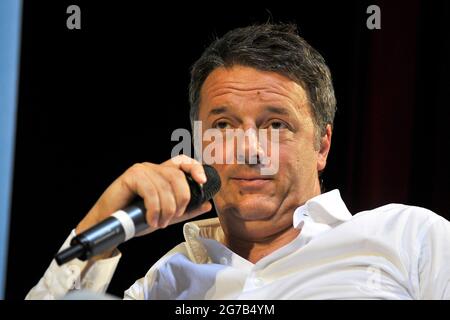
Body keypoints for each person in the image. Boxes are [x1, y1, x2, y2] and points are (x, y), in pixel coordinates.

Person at [26, 23, 450, 300]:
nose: (249, 148)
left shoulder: (409, 239)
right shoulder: (164, 282)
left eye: (276, 124)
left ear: (322, 146)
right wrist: (102, 224)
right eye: (224, 125)